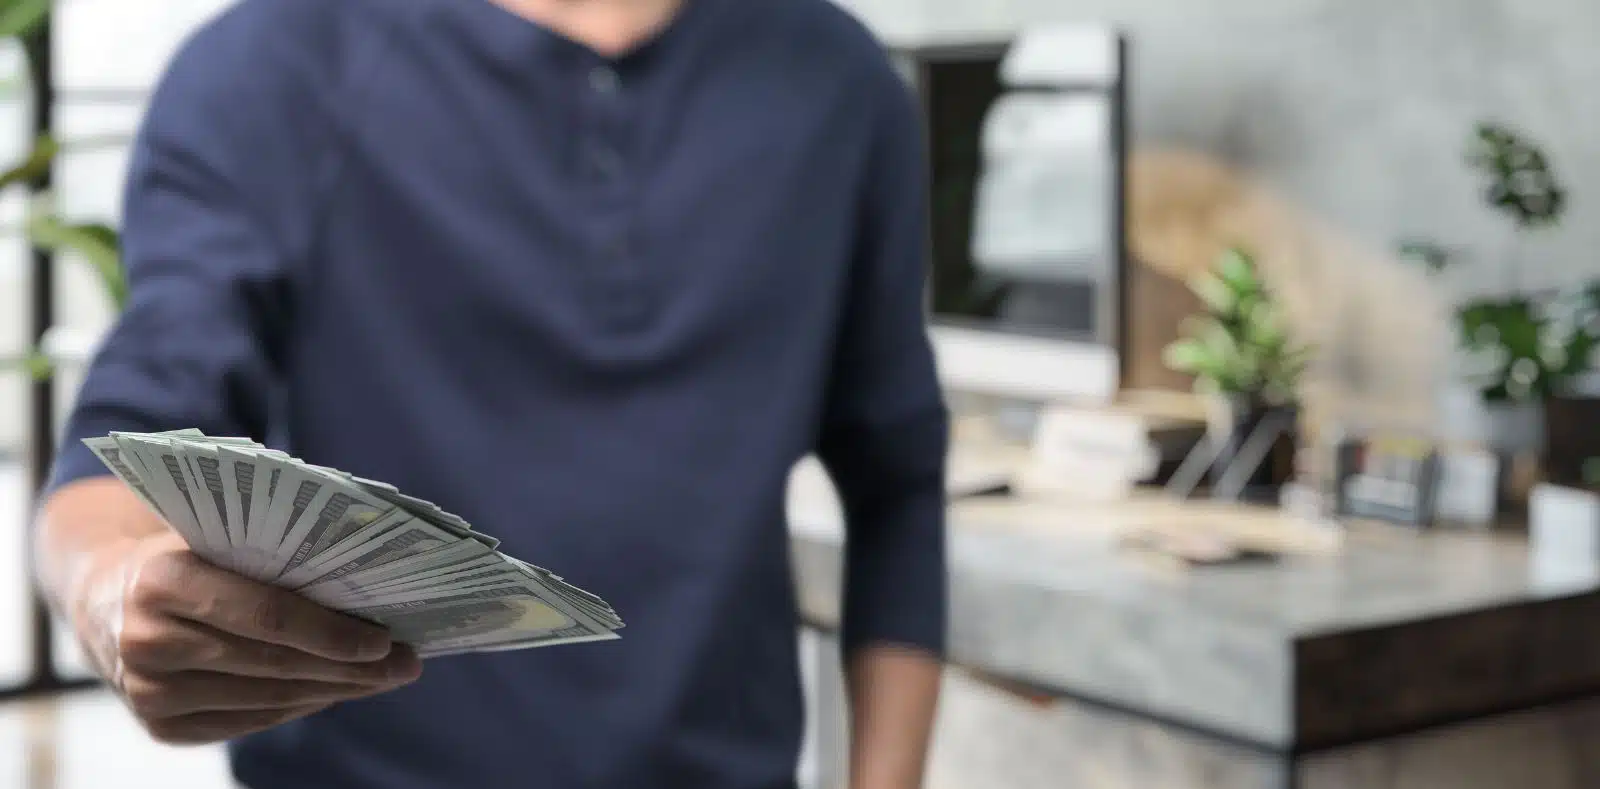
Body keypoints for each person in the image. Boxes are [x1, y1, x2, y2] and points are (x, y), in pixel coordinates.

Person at [32, 0, 949, 788]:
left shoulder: (842, 85)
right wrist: (112, 593)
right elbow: (122, 439)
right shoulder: (273, 65)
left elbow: (899, 480)